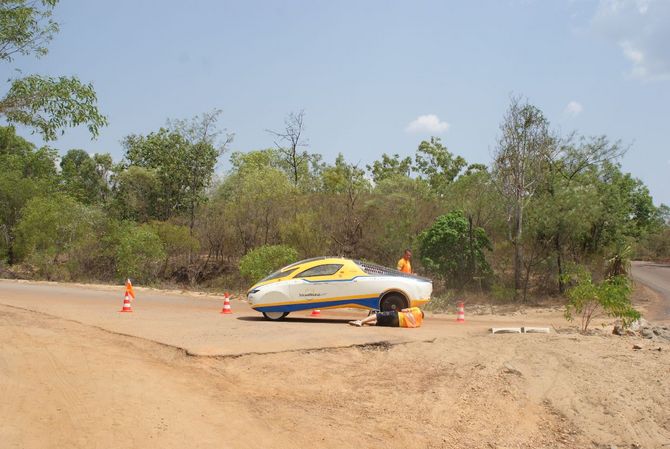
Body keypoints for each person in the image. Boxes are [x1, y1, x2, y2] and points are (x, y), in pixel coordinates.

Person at [349, 307, 424, 328]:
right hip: (398, 324)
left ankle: (361, 322)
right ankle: (365, 323)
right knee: (378, 323)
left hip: (398, 316)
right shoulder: (419, 323)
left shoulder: (417, 309)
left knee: (379, 315)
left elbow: (404, 310)